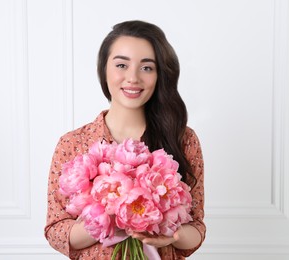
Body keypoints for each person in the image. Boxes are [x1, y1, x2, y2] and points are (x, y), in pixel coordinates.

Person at [45, 20, 206, 259]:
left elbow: (196, 228)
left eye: (147, 68)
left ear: (160, 74)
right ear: (104, 69)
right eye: (121, 64)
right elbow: (56, 231)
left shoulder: (183, 139)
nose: (133, 78)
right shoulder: (72, 143)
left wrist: (169, 232)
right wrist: (110, 214)